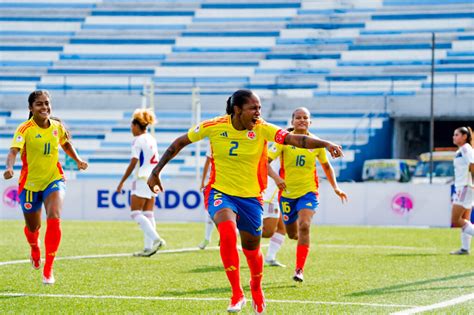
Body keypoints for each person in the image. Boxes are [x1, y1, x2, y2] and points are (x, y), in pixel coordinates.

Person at [147, 90, 343, 314]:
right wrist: (156, 171)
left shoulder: (262, 128)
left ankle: (256, 288)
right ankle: (236, 294)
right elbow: (180, 142)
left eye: (259, 108)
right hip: (220, 191)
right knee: (228, 232)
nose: (258, 113)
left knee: (252, 249)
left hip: (251, 198)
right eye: (253, 108)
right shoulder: (214, 126)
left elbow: (294, 139)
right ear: (237, 110)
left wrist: (325, 143)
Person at [3, 90, 88, 284]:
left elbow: (66, 145)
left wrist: (78, 160)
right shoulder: (24, 129)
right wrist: (9, 168)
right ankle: (34, 248)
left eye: (47, 103)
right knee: (33, 228)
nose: (44, 107)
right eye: (39, 104)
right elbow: (13, 152)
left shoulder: (57, 127)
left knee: (54, 217)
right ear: (31, 108)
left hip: (54, 179)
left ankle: (48, 268)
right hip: (30, 185)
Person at [268, 107, 348, 283]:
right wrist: (276, 178)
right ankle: (297, 237)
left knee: (304, 225)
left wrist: (336, 187)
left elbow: (327, 166)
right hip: (287, 194)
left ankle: (299, 270)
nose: (302, 120)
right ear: (292, 121)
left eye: (305, 117)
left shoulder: (317, 143)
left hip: (308, 192)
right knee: (292, 234)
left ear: (310, 122)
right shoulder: (283, 141)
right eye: (298, 117)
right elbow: (264, 163)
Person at [116, 108, 166, 257]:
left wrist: (122, 181)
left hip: (142, 178)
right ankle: (148, 247)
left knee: (135, 212)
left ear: (137, 125)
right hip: (154, 178)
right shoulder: (151, 138)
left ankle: (156, 239)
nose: (131, 129)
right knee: (148, 213)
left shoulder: (138, 140)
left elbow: (134, 161)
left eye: (132, 125)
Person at [450, 126, 474, 255]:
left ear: (464, 136)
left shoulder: (465, 149)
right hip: (464, 186)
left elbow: (473, 164)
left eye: (456, 134)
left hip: (464, 187)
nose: (454, 137)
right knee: (465, 219)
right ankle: (465, 248)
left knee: (455, 220)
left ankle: (465, 248)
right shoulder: (461, 150)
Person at [262, 162, 286, 268]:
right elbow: (265, 164)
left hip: (278, 195)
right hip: (271, 195)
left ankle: (270, 258)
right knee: (268, 232)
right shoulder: (279, 149)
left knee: (282, 228)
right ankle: (238, 232)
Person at [198, 143, 215, 249]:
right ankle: (207, 238)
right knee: (209, 211)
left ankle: (229, 238)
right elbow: (207, 162)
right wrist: (203, 181)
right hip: (214, 182)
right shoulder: (214, 142)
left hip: (230, 183)